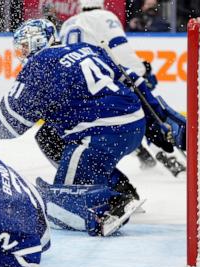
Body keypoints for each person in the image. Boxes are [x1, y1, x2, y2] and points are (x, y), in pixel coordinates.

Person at [0, 19, 186, 233]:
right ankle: (119, 188)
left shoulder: (39, 65)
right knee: (48, 135)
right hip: (133, 124)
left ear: (38, 43)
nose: (22, 54)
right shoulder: (86, 47)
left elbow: (8, 126)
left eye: (25, 47)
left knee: (58, 207)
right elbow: (133, 80)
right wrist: (159, 120)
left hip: (101, 136)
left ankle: (111, 204)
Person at [54, 0, 185, 176]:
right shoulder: (105, 16)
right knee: (142, 114)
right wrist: (140, 72)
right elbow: (121, 50)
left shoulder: (67, 24)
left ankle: (137, 152)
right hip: (105, 80)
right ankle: (169, 158)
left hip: (80, 90)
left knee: (107, 124)